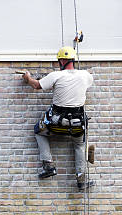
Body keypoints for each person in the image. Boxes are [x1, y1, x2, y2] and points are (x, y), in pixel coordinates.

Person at [21, 46, 94, 190]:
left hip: (56, 123)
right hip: (77, 125)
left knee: (38, 131)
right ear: (73, 59)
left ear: (61, 60)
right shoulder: (86, 75)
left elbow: (36, 85)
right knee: (79, 145)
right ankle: (81, 179)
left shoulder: (56, 76)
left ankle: (48, 165)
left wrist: (28, 78)